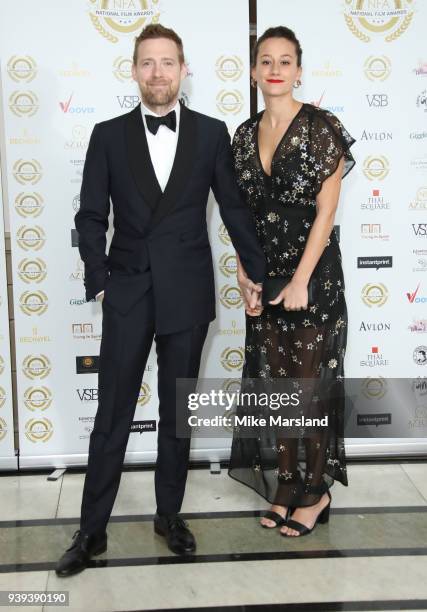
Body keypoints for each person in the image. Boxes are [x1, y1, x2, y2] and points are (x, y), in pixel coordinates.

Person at [55, 23, 265, 577]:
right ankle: (91, 531)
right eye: (147, 63)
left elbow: (235, 208)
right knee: (112, 417)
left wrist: (257, 271)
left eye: (167, 63)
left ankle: (169, 516)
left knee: (177, 415)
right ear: (133, 70)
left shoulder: (212, 133)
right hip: (127, 290)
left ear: (183, 69)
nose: (157, 73)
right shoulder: (107, 135)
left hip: (187, 294)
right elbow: (90, 215)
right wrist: (99, 277)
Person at [228, 26, 355, 537]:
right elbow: (240, 214)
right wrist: (245, 275)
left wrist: (301, 279)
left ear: (299, 70)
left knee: (308, 388)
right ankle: (285, 481)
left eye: (285, 60)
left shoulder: (323, 127)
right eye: (266, 60)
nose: (275, 69)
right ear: (256, 70)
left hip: (313, 274)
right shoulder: (242, 134)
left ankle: (316, 489)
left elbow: (326, 212)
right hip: (266, 272)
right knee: (277, 387)